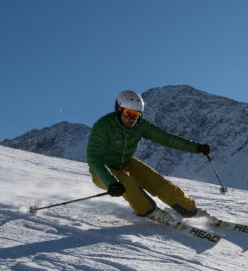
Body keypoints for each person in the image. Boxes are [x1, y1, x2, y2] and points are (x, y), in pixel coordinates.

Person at [87, 90, 211, 226]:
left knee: (158, 182)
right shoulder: (104, 126)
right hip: (102, 170)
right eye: (127, 114)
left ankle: (190, 210)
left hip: (126, 163)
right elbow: (94, 159)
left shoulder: (140, 125)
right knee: (127, 183)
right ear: (118, 110)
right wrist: (110, 182)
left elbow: (166, 138)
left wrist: (196, 147)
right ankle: (150, 211)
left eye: (136, 115)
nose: (131, 119)